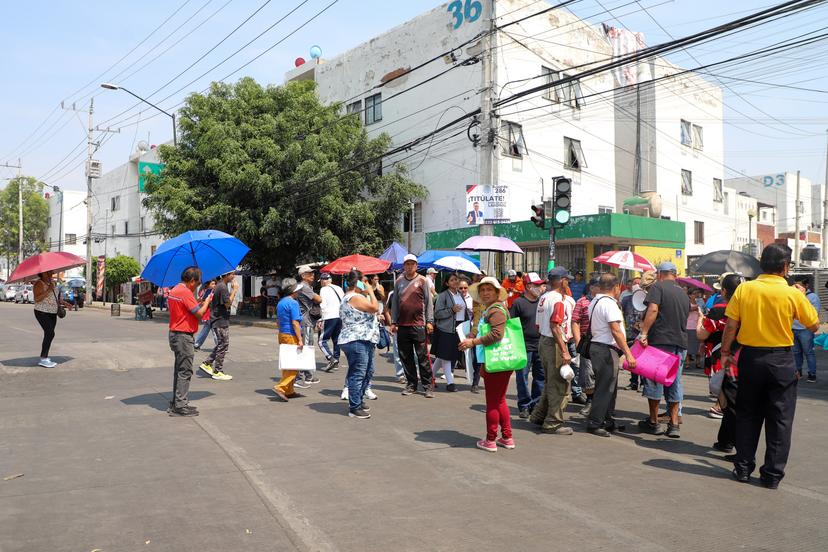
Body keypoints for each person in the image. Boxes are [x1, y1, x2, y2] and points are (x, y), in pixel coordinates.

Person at [722, 245, 819, 489]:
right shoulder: (792, 293)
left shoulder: (745, 289)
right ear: (786, 267)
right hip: (782, 360)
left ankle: (743, 468)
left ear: (761, 264)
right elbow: (814, 325)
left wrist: (725, 353)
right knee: (781, 419)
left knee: (747, 414)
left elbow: (731, 326)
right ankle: (772, 476)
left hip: (751, 359)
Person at [459, 277, 515, 452]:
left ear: (497, 292)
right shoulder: (491, 309)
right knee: (499, 400)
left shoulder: (496, 310)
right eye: (482, 290)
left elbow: (496, 335)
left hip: (496, 361)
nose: (485, 293)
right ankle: (507, 437)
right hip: (498, 360)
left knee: (492, 402)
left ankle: (491, 439)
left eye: (489, 289)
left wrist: (473, 342)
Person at [637, 262, 690, 439]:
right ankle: (674, 424)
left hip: (660, 342)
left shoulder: (658, 287)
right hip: (680, 343)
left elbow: (653, 309)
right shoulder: (683, 292)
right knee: (674, 382)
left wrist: (644, 332)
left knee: (654, 381)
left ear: (660, 274)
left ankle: (654, 422)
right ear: (674, 274)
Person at [697, 273, 743, 452]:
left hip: (724, 359)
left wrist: (701, 319)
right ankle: (725, 441)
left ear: (724, 291)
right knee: (735, 403)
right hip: (746, 356)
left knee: (729, 404)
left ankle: (734, 444)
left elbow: (702, 334)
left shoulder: (720, 309)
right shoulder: (748, 306)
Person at [585, 274, 636, 437]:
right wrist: (628, 354)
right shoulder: (608, 304)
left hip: (599, 347)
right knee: (605, 388)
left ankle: (607, 420)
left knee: (609, 387)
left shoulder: (596, 301)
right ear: (616, 287)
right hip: (605, 349)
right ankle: (595, 422)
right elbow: (615, 330)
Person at [530, 267, 574, 435]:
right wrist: (564, 351)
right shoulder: (558, 300)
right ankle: (553, 423)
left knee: (550, 382)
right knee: (560, 385)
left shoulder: (543, 297)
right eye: (567, 280)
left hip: (544, 341)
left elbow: (539, 325)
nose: (568, 282)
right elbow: (555, 326)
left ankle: (539, 416)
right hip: (555, 343)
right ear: (561, 280)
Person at [166, 268, 214, 416]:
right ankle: (181, 405)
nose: (198, 285)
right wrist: (206, 301)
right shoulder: (185, 292)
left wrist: (197, 301)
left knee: (179, 369)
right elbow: (199, 314)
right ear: (192, 281)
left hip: (175, 333)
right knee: (185, 370)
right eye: (198, 282)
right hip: (183, 336)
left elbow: (185, 309)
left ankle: (176, 402)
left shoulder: (175, 290)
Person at [390, 254, 435, 397]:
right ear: (404, 266)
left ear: (416, 266)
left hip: (420, 324)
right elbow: (395, 304)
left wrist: (430, 321)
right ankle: (411, 385)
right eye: (407, 264)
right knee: (405, 357)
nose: (409, 267)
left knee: (422, 357)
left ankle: (428, 386)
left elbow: (429, 303)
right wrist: (393, 322)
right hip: (403, 325)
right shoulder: (399, 281)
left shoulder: (422, 281)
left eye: (412, 264)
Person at [339, 270, 380, 419]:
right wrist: (371, 291)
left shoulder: (352, 297)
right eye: (364, 281)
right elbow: (375, 307)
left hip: (362, 339)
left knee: (368, 371)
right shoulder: (354, 297)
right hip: (356, 340)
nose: (366, 284)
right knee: (358, 373)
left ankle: (358, 400)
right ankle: (354, 407)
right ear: (357, 283)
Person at [509, 272, 546, 418]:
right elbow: (512, 325)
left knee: (540, 377)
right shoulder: (518, 303)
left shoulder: (542, 302)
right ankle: (524, 404)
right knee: (522, 377)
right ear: (529, 286)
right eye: (537, 285)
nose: (540, 287)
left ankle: (536, 404)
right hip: (523, 346)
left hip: (541, 345)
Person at [199, 272, 238, 381]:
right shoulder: (222, 287)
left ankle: (207, 363)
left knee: (221, 344)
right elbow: (227, 304)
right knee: (224, 345)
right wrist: (234, 290)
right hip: (220, 320)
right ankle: (218, 371)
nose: (234, 276)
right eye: (232, 274)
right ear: (227, 275)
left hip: (218, 319)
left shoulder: (220, 285)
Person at [432, 273, 468, 392]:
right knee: (447, 357)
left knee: (443, 356)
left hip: (459, 328)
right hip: (446, 329)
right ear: (447, 283)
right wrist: (451, 310)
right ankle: (450, 383)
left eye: (456, 280)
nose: (455, 282)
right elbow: (437, 314)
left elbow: (465, 312)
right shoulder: (442, 296)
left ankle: (429, 376)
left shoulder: (460, 295)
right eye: (452, 280)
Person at [273, 280, 305, 402]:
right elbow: (295, 323)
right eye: (298, 289)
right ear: (293, 291)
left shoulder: (281, 302)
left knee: (287, 363)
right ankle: (280, 387)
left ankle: (289, 390)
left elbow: (278, 321)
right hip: (291, 335)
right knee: (294, 364)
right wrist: (300, 339)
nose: (299, 291)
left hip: (282, 334)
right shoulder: (293, 303)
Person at [32, 271, 72, 368]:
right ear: (41, 274)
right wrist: (48, 290)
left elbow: (55, 298)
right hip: (41, 312)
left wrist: (66, 303)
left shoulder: (52, 283)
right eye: (47, 273)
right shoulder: (38, 283)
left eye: (51, 273)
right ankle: (43, 358)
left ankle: (45, 357)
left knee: (49, 334)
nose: (50, 275)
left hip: (52, 312)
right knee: (50, 333)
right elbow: (37, 299)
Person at [572, 278, 599, 412]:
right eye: (599, 286)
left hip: (603, 342)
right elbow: (575, 322)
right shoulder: (582, 302)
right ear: (592, 287)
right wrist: (578, 343)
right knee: (587, 373)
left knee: (602, 374)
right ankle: (590, 400)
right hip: (587, 342)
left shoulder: (607, 302)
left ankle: (601, 403)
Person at [297, 266, 322, 386]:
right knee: (306, 349)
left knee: (307, 348)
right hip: (305, 322)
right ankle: (303, 377)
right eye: (309, 273)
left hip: (307, 321)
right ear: (303, 276)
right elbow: (318, 299)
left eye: (312, 273)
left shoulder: (306, 287)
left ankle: (307, 375)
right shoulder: (304, 287)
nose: (312, 275)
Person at [792, 275, 821, 382]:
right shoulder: (792, 295)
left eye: (799, 286)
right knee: (796, 352)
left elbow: (814, 313)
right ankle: (798, 371)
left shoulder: (813, 297)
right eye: (795, 285)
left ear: (806, 285)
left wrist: (802, 296)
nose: (796, 288)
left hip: (806, 329)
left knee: (808, 352)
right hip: (793, 328)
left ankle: (812, 373)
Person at [318, 273, 344, 372]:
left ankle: (330, 358)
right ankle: (336, 359)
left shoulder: (323, 289)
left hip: (329, 316)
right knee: (336, 339)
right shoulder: (339, 288)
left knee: (321, 341)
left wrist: (320, 319)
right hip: (339, 316)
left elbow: (323, 305)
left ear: (323, 280)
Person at [193, 281, 216, 351]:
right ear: (208, 285)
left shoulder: (215, 291)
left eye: (215, 284)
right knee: (214, 329)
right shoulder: (208, 292)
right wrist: (208, 302)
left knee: (206, 329)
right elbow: (202, 302)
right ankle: (220, 345)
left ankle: (196, 344)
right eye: (212, 284)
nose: (214, 285)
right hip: (208, 314)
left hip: (213, 313)